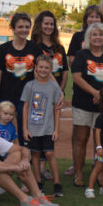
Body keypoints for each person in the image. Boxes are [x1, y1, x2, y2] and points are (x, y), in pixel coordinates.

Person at [64, 5, 103, 177]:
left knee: (101, 140)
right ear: (88, 37)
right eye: (94, 34)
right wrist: (96, 93)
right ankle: (78, 171)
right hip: (83, 102)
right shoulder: (81, 54)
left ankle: (99, 171)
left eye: (100, 35)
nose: (97, 37)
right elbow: (77, 76)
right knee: (81, 138)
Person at [0, 13, 41, 146]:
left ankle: (24, 164)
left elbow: (43, 72)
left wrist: (57, 90)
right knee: (4, 136)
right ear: (12, 28)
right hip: (5, 99)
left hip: (26, 100)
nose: (24, 30)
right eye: (20, 26)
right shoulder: (3, 49)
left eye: (27, 26)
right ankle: (3, 164)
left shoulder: (35, 49)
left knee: (25, 136)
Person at [31, 10, 69, 181]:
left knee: (49, 130)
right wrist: (57, 90)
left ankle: (43, 168)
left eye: (51, 24)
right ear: (39, 25)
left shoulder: (59, 48)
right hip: (41, 95)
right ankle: (36, 169)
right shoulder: (34, 47)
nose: (48, 27)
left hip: (56, 94)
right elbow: (42, 70)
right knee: (39, 128)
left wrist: (60, 90)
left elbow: (65, 71)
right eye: (45, 23)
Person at [21, 54, 63, 197]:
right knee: (35, 155)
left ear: (51, 69)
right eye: (41, 67)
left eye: (47, 68)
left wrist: (57, 129)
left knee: (50, 154)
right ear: (36, 68)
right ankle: (39, 183)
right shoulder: (30, 85)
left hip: (48, 127)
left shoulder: (54, 87)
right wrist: (25, 128)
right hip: (33, 128)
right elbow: (26, 107)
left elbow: (57, 109)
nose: (44, 70)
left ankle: (57, 183)